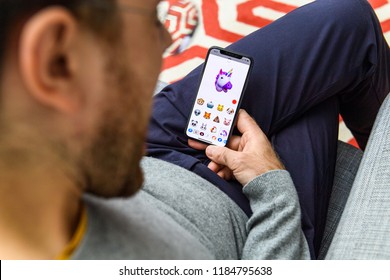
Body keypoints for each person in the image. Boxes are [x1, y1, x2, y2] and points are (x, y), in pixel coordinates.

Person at [0, 0, 388, 260]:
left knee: (344, 20)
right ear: (57, 59)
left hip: (146, 144)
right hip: (248, 210)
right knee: (331, 73)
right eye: (152, 19)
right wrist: (272, 187)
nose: (169, 39)